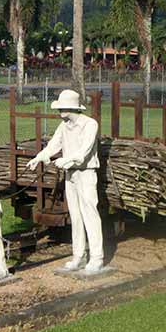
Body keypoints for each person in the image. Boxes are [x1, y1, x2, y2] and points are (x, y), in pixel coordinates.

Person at [25, 89, 104, 272]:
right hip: (71, 175)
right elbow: (53, 145)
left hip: (86, 173)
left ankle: (97, 257)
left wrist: (66, 159)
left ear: (72, 108)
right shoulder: (64, 126)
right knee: (75, 217)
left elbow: (84, 151)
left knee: (90, 214)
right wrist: (39, 157)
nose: (59, 111)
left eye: (62, 107)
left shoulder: (89, 124)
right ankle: (78, 256)